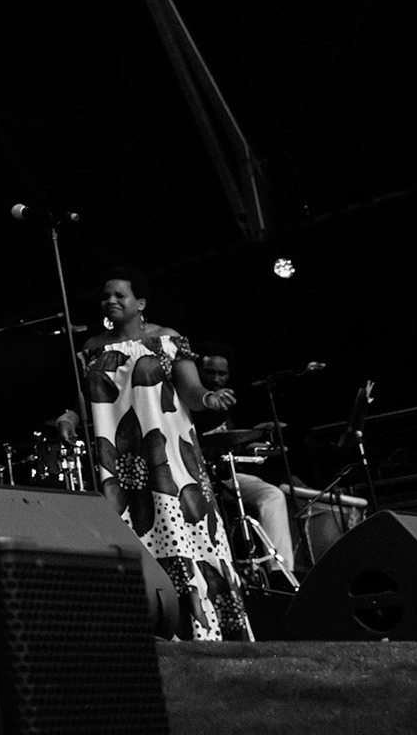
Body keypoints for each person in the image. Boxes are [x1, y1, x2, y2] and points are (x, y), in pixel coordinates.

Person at [82, 267, 250, 640]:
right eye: (105, 296)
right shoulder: (92, 347)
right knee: (133, 535)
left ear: (139, 303)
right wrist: (69, 415)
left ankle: (205, 630)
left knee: (180, 531)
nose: (110, 301)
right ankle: (147, 635)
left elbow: (191, 390)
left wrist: (209, 397)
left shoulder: (167, 339)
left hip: (170, 456)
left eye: (119, 295)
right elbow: (87, 400)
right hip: (119, 460)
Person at [193, 346, 296, 581]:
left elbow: (232, 443)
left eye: (222, 374)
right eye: (210, 373)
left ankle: (282, 573)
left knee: (273, 495)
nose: (217, 379)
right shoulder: (192, 402)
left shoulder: (233, 402)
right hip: (196, 478)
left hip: (227, 475)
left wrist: (255, 437)